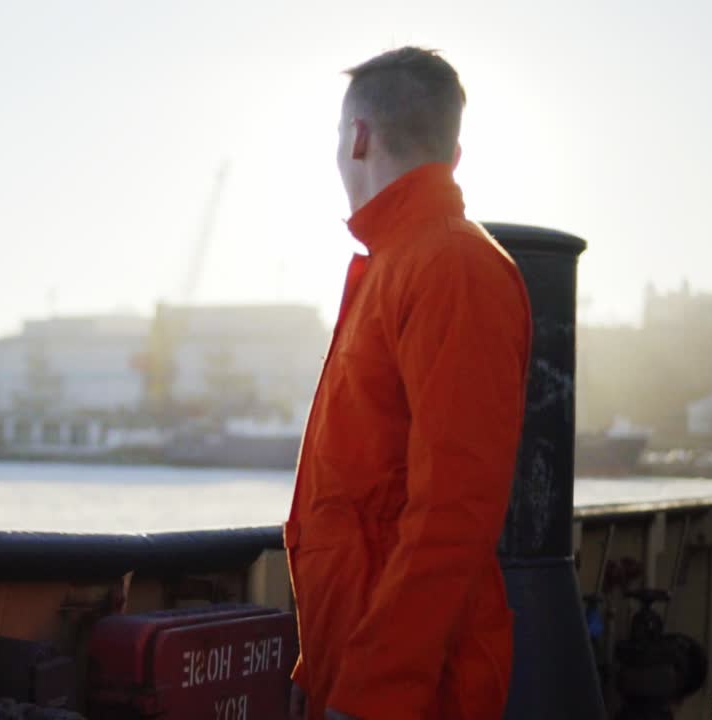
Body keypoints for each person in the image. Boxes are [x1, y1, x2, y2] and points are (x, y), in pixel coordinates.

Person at [286, 47, 532, 720]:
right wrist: (320, 667)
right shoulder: (400, 264)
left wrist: (374, 691)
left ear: (358, 137)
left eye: (341, 137)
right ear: (453, 152)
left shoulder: (452, 268)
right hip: (361, 661)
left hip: (411, 691)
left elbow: (454, 507)